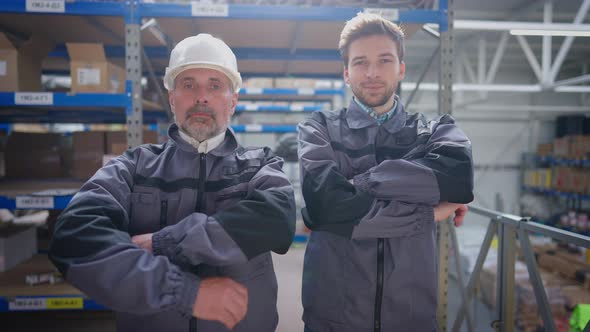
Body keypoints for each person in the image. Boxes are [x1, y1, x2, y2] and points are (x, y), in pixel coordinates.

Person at [49, 33, 296, 332]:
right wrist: (184, 292)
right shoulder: (133, 167)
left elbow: (277, 221)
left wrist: (163, 242)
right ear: (172, 98)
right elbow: (74, 238)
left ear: (233, 101)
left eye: (215, 85)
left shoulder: (260, 165)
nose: (201, 96)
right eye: (188, 84)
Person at [298, 13, 474, 332]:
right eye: (361, 62)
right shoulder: (318, 128)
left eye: (384, 60)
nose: (373, 72)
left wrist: (357, 186)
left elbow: (458, 179)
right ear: (347, 73)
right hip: (334, 316)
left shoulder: (436, 131)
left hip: (410, 317)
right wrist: (426, 214)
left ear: (401, 68)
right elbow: (327, 204)